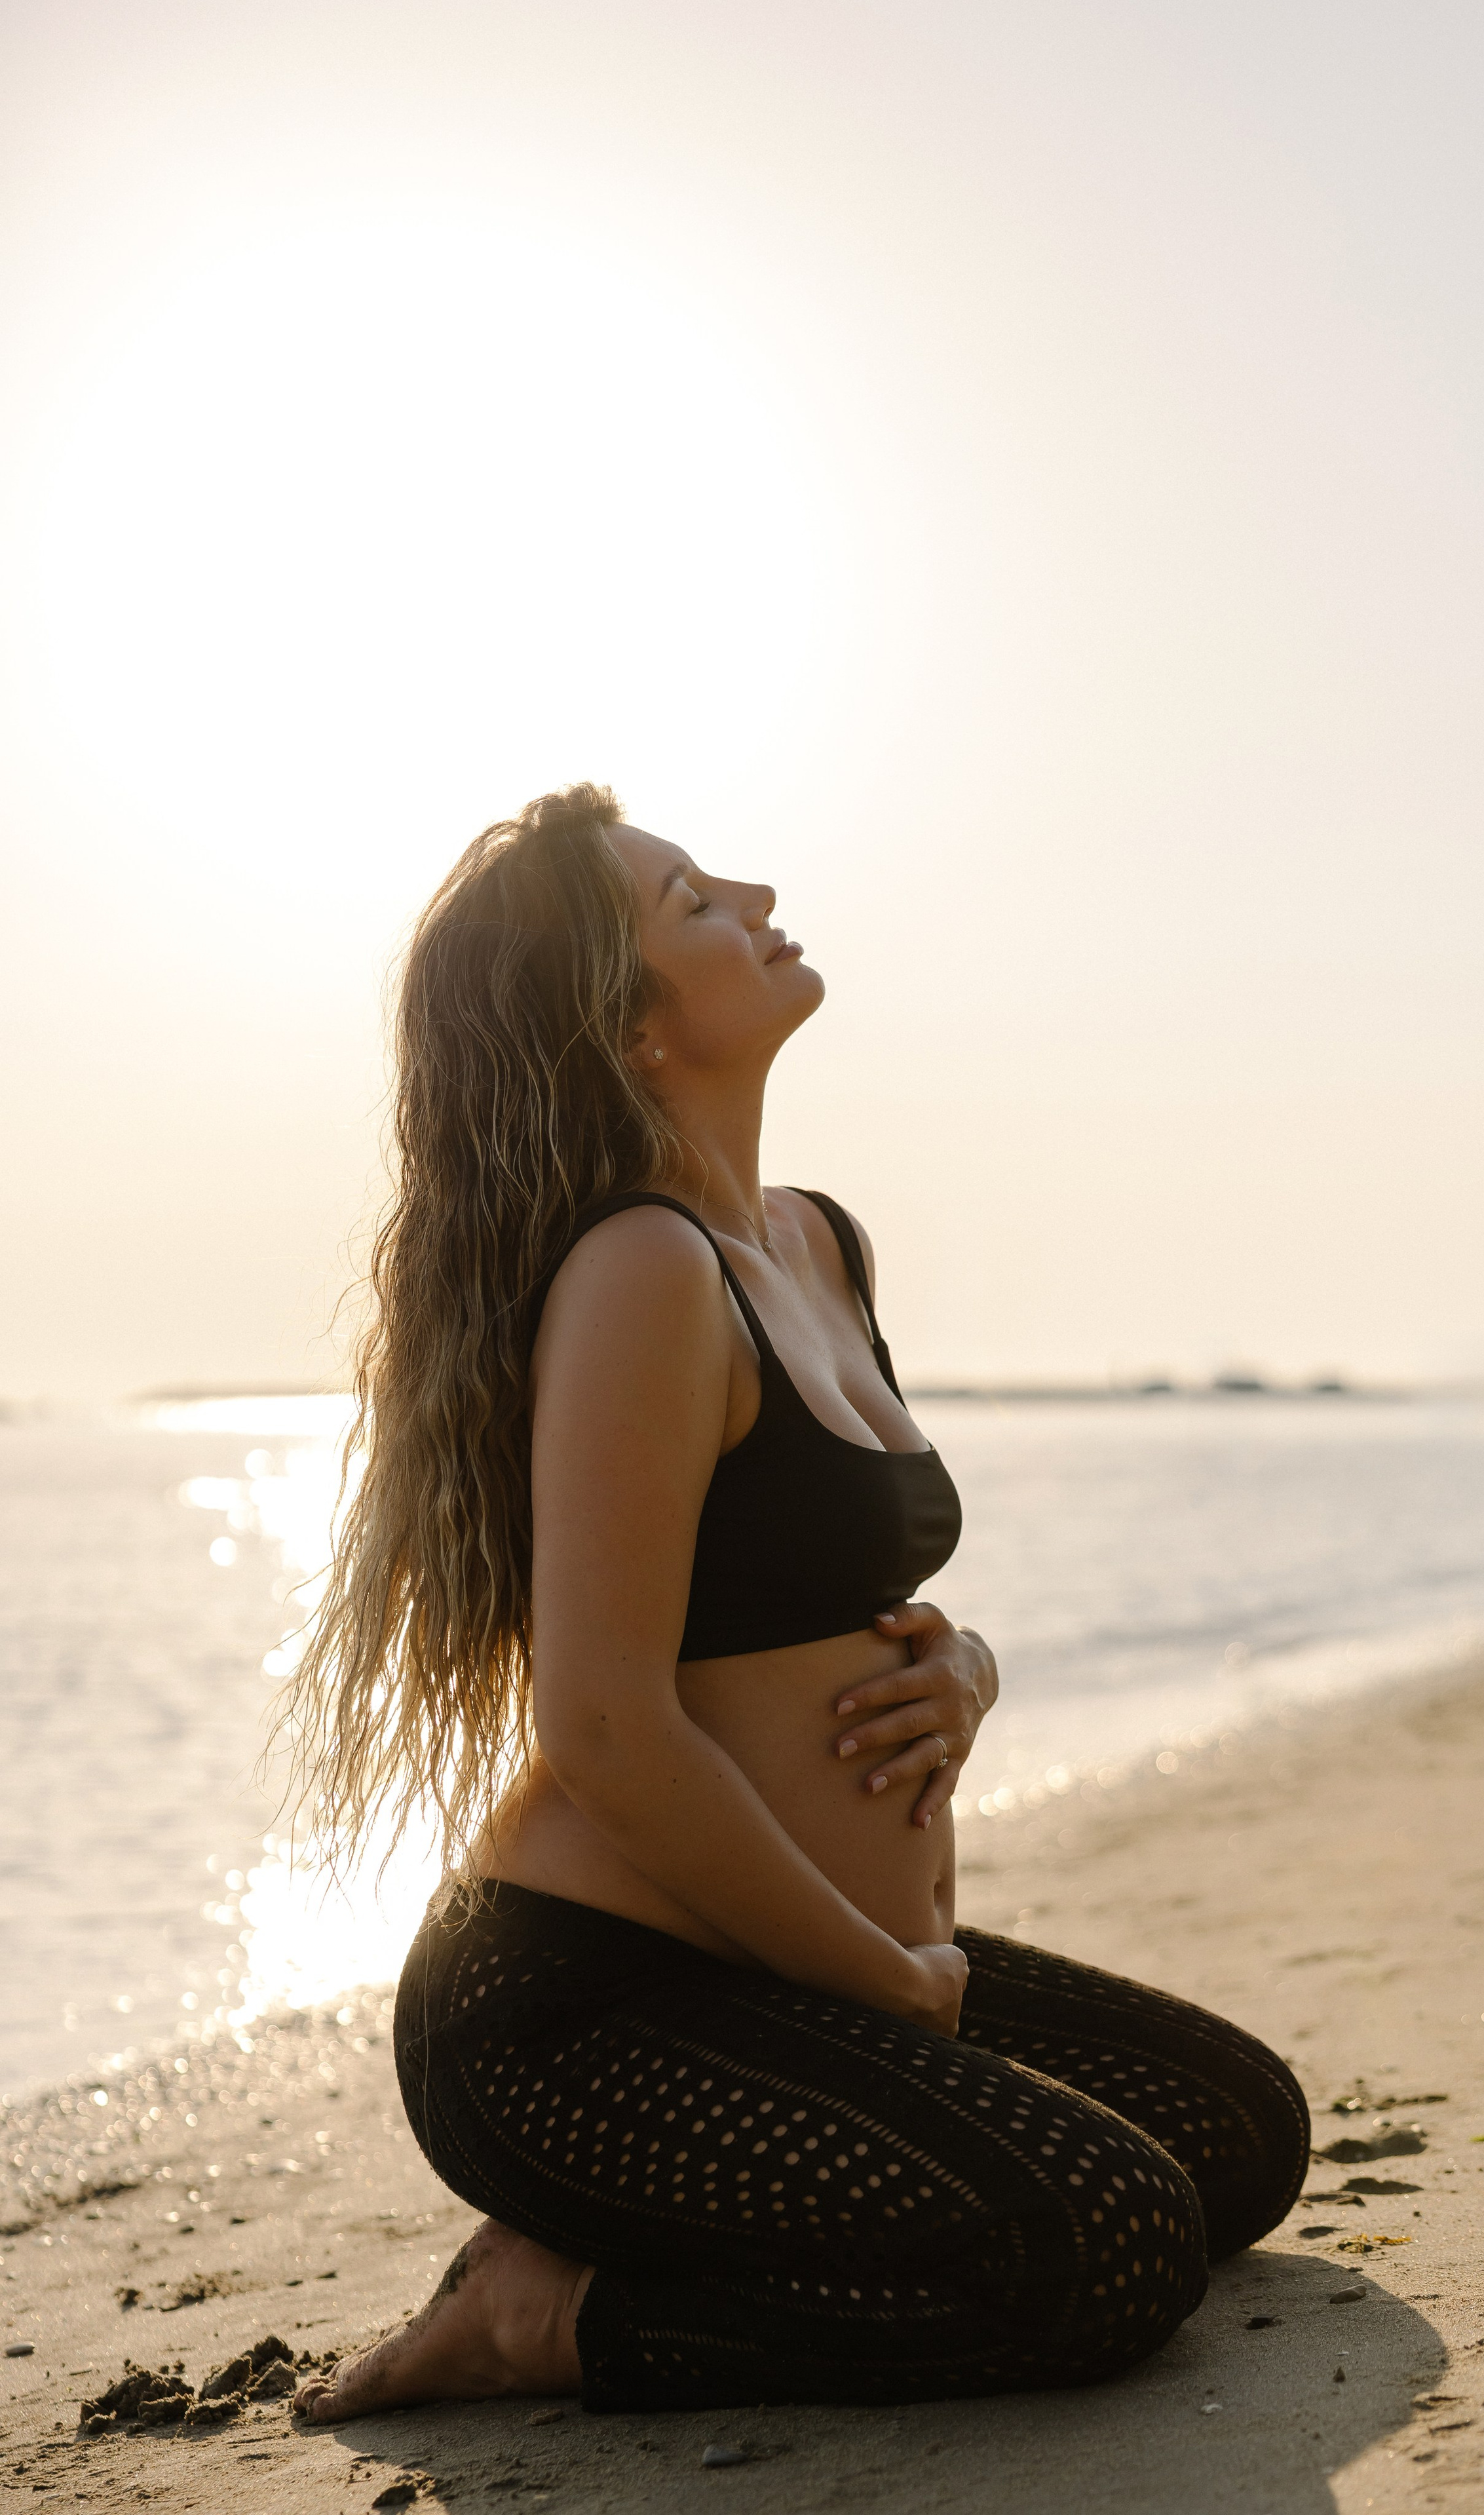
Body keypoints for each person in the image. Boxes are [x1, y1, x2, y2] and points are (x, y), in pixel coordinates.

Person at [287, 783, 1307, 2421]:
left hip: (816, 1966)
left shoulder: (813, 1243)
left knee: (1240, 2132)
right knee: (1106, 2242)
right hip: (583, 2011)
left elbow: (836, 1584)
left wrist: (966, 1664)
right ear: (628, 1027)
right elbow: (605, 1723)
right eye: (694, 899)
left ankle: (641, 2231)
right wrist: (883, 1982)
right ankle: (544, 2313)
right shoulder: (641, 1271)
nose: (756, 892)